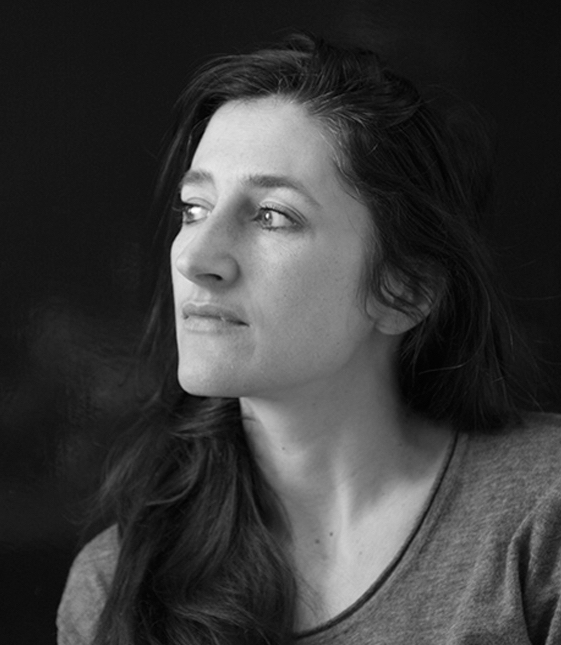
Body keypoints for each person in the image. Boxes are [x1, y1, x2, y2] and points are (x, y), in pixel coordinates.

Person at [57, 32, 561, 645]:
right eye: (193, 209)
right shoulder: (113, 585)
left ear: (403, 291)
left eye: (272, 215)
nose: (195, 258)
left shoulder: (542, 510)